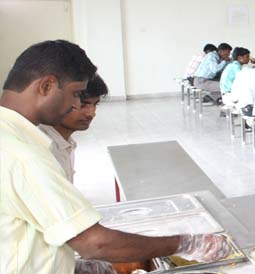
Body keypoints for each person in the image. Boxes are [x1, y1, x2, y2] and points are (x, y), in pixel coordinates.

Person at [1, 39, 231, 274]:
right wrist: (185, 244)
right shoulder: (24, 155)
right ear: (47, 86)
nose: (75, 105)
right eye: (76, 94)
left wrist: (69, 264)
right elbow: (94, 242)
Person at [38, 76, 107, 182]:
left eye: (95, 104)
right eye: (82, 104)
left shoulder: (65, 144)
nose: (91, 114)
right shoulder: (45, 150)